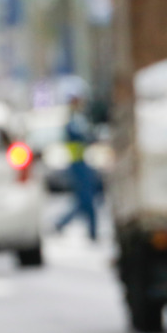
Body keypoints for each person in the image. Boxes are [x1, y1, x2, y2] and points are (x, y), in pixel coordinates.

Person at [55, 95, 98, 240]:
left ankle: (90, 231)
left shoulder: (77, 119)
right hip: (78, 164)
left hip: (80, 163)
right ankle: (90, 231)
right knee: (86, 201)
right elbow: (82, 137)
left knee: (84, 201)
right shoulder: (73, 121)